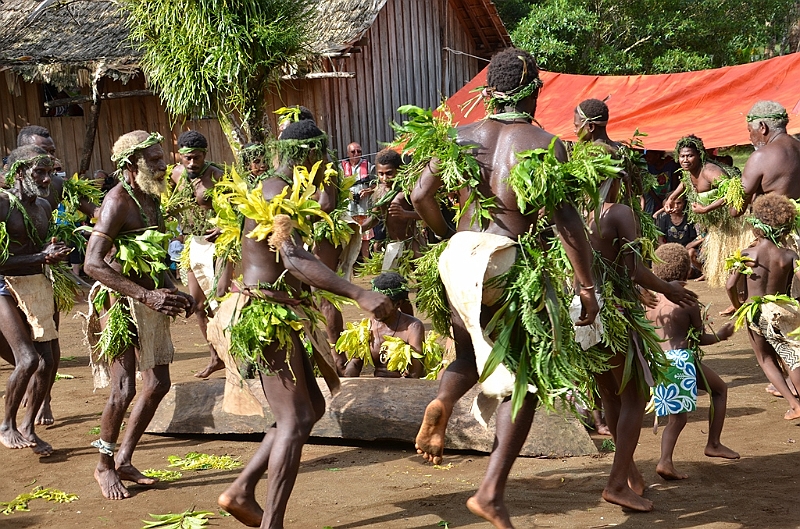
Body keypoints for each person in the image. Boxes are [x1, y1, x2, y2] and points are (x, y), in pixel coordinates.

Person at [409, 48, 601, 529]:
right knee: (527, 380)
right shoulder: (543, 143)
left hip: (460, 257)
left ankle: (444, 401)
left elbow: (418, 195)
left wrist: (446, 233)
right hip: (505, 262)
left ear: (488, 90)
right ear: (534, 89)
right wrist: (586, 285)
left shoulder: (460, 135)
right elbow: (566, 222)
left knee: (468, 354)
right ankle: (491, 491)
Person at [214, 119, 392, 528]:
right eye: (320, 159)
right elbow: (292, 257)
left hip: (285, 310)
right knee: (294, 421)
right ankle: (271, 523)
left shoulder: (286, 191)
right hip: (264, 315)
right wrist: (359, 293)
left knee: (308, 410)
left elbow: (321, 211)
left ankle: (240, 491)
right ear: (308, 157)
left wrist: (327, 187)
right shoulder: (275, 192)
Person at [573, 98, 697, 512]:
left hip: (578, 308)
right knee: (634, 393)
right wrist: (670, 288)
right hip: (610, 308)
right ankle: (615, 483)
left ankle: (630, 473)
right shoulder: (619, 212)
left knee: (610, 388)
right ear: (620, 175)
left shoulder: (569, 211)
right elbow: (636, 269)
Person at [83, 131, 195, 499]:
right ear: (131, 166)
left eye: (163, 159)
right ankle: (103, 466)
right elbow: (92, 264)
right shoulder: (117, 201)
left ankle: (125, 458)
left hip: (149, 299)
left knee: (158, 384)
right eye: (154, 160)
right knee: (124, 387)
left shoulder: (150, 198)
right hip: (119, 303)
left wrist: (172, 289)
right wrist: (146, 295)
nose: (164, 166)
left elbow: (153, 255)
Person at [14, 125, 101, 425]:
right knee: (22, 348)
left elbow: (95, 211)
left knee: (47, 342)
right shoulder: (6, 191)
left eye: (52, 153)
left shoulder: (57, 184)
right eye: (44, 153)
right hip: (9, 275)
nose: (51, 160)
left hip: (46, 272)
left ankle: (44, 397)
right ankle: (25, 387)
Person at [648, 243, 739, 481]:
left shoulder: (649, 300)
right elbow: (699, 338)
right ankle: (668, 460)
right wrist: (721, 335)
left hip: (660, 361)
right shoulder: (687, 302)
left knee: (717, 388)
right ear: (686, 272)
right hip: (681, 361)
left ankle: (713, 444)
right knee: (678, 419)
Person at [0, 145, 69, 456]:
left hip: (35, 285)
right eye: (39, 172)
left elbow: (39, 246)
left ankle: (28, 426)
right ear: (18, 174)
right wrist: (42, 256)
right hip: (3, 287)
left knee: (48, 361)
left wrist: (53, 249)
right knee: (27, 359)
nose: (46, 179)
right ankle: (6, 425)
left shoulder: (41, 206)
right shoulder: (2, 205)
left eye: (49, 172)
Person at [726, 193, 800, 419]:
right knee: (791, 355)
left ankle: (794, 404)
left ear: (757, 225)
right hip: (783, 310)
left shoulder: (748, 254)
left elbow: (730, 285)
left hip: (756, 312)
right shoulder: (789, 255)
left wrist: (739, 305)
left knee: (765, 358)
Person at [167, 130, 228, 379]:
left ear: (205, 155)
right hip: (193, 244)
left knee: (221, 302)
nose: (193, 163)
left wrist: (224, 226)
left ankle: (237, 356)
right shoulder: (176, 174)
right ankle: (216, 357)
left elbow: (239, 208)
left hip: (218, 245)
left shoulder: (217, 175)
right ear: (180, 156)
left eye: (197, 158)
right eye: (188, 158)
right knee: (198, 305)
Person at [663, 135, 750, 290]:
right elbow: (685, 182)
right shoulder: (689, 171)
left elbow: (733, 193)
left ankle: (741, 297)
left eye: (690, 156)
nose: (685, 160)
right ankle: (737, 299)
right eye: (682, 156)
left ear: (700, 155)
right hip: (716, 226)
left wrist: (706, 209)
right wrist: (672, 198)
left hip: (734, 224)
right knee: (725, 266)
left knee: (735, 264)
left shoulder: (709, 171)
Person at [339, 272, 425, 378]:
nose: (376, 309)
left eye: (382, 306)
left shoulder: (412, 328)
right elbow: (356, 363)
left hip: (403, 388)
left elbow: (415, 373)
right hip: (376, 387)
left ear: (398, 304)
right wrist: (349, 379)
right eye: (374, 304)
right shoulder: (366, 327)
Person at [732, 101, 800, 216]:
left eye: (750, 130)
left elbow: (736, 210)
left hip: (775, 228)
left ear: (763, 127)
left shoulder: (760, 157)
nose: (750, 137)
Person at [655, 194, 704, 278]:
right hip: (671, 251)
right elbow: (660, 240)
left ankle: (703, 272)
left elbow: (695, 238)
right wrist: (670, 252)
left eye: (679, 203)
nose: (676, 206)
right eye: (673, 203)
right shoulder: (663, 218)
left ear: (684, 203)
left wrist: (686, 249)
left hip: (686, 252)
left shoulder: (689, 217)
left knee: (688, 271)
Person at [343, 142, 375, 259]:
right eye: (353, 151)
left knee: (365, 236)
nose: (356, 154)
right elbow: (336, 187)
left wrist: (368, 191)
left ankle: (366, 264)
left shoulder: (368, 166)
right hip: (348, 209)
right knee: (349, 236)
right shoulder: (341, 167)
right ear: (348, 153)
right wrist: (347, 192)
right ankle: (350, 263)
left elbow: (377, 184)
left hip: (364, 207)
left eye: (359, 151)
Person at [643, 150, 680, 215]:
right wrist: (659, 202)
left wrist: (671, 198)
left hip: (670, 196)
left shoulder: (670, 165)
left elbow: (675, 184)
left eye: (649, 157)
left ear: (657, 156)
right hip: (655, 199)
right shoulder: (648, 168)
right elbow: (649, 188)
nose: (647, 159)